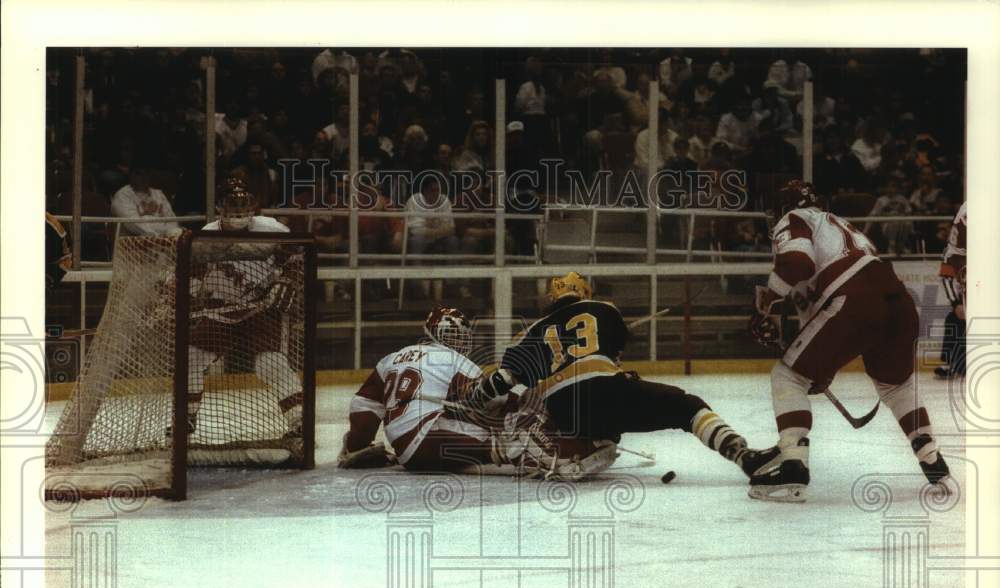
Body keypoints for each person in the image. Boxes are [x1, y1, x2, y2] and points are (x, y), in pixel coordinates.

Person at [748, 180, 952, 502]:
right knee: (896, 386)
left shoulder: (795, 219)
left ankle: (794, 466)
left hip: (852, 300)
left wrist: (765, 305)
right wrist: (820, 370)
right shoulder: (841, 227)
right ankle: (932, 459)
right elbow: (821, 322)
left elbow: (799, 263)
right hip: (897, 301)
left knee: (787, 376)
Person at [466, 272, 779, 481]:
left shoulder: (530, 332)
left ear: (551, 299)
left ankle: (581, 450)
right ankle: (741, 454)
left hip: (564, 411)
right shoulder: (605, 309)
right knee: (687, 406)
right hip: (605, 391)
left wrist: (472, 399)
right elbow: (612, 358)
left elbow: (502, 380)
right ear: (585, 292)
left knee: (597, 430)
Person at [338, 307, 607, 480]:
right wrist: (530, 400)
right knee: (510, 433)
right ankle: (564, 457)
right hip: (429, 438)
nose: (461, 341)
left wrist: (357, 446)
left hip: (406, 445)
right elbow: (494, 402)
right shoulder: (455, 360)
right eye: (457, 334)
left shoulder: (392, 358)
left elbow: (363, 406)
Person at [173, 180, 304, 440]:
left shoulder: (271, 228)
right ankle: (185, 419)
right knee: (191, 359)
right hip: (220, 310)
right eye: (232, 206)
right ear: (220, 207)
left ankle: (299, 421)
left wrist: (287, 280)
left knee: (271, 364)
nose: (238, 213)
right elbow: (196, 270)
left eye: (243, 206)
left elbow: (297, 255)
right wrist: (184, 297)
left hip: (260, 309)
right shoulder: (207, 233)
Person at [935, 201, 966, 379]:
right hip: (968, 297)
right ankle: (950, 363)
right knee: (954, 318)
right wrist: (956, 304)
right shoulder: (952, 253)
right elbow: (946, 278)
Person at [110, 168, 182, 237]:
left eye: (147, 173)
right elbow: (133, 225)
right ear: (131, 175)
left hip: (166, 240)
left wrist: (174, 232)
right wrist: (160, 234)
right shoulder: (122, 195)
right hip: (132, 244)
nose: (144, 177)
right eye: (139, 174)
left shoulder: (159, 194)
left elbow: (172, 220)